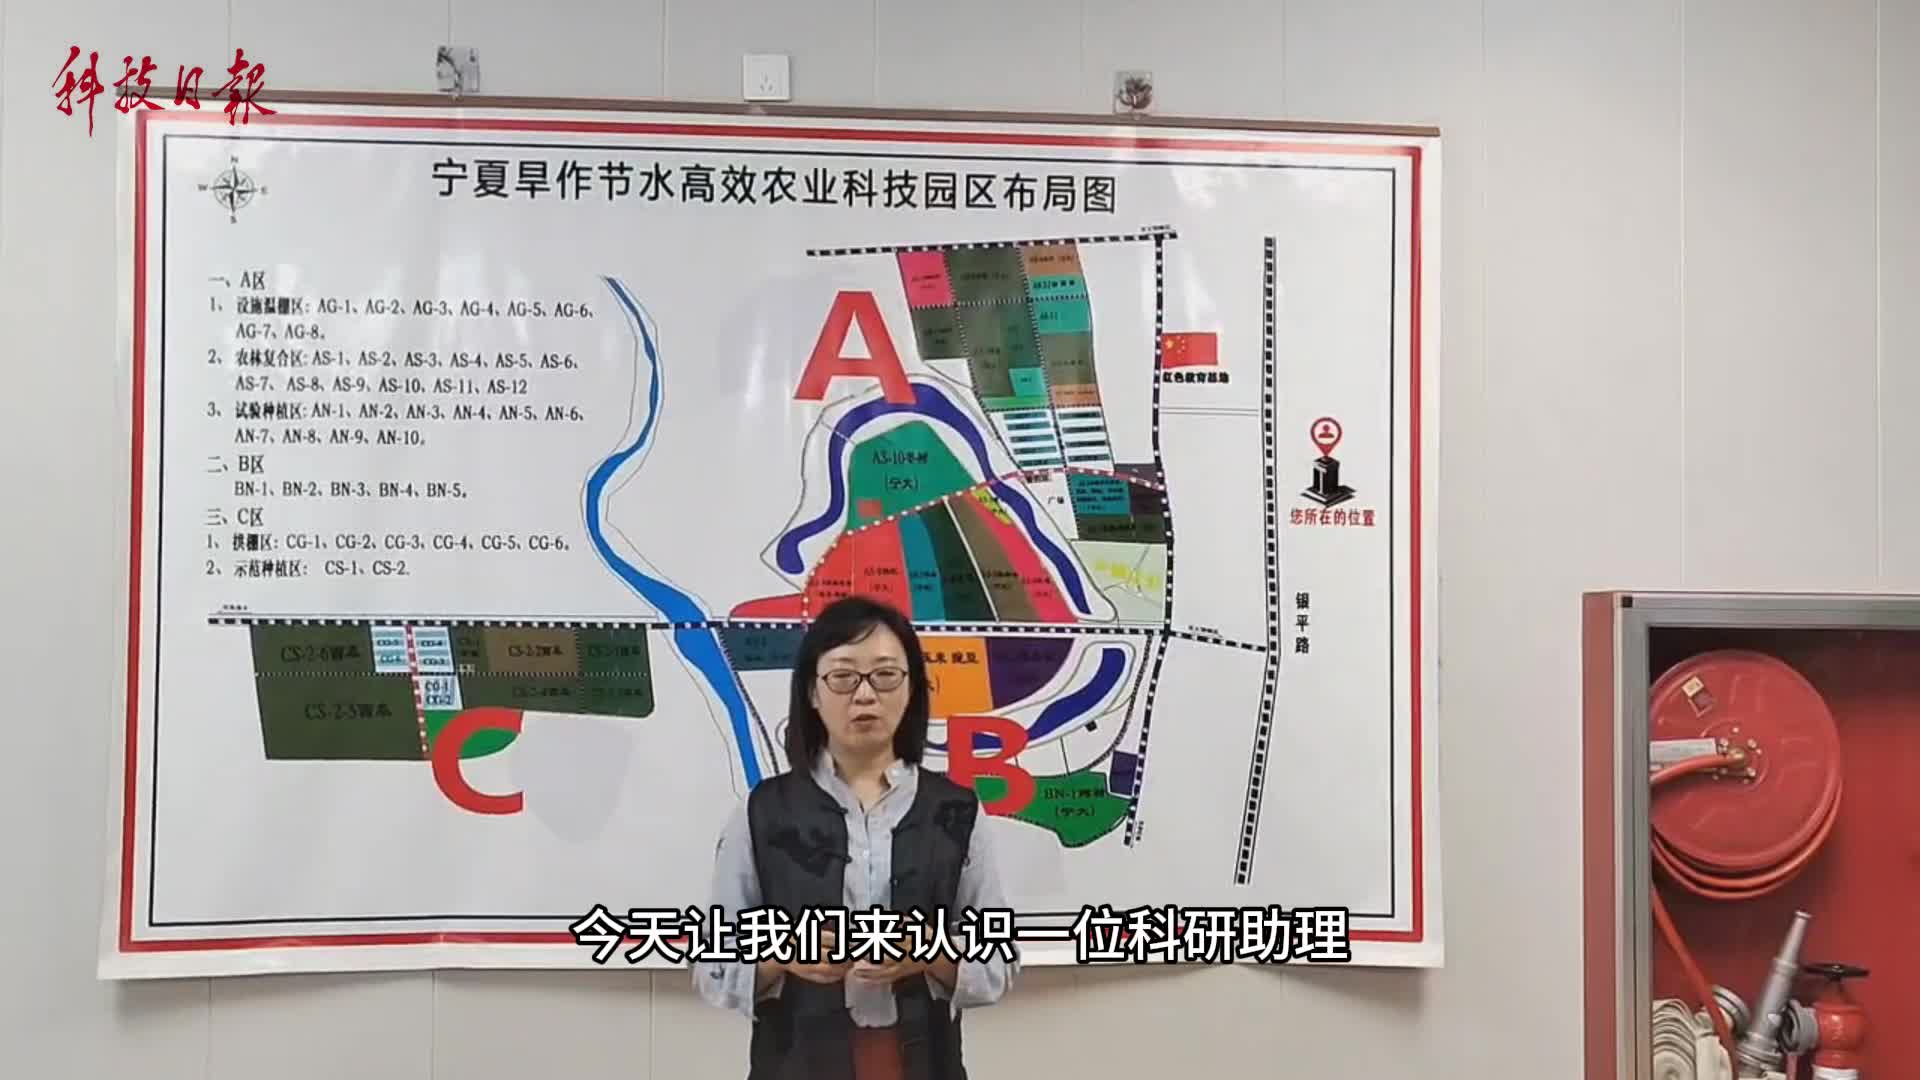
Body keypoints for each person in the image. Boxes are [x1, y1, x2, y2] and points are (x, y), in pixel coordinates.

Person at [694, 595, 1018, 1080]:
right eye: (843, 677)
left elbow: (998, 962)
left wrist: (929, 953)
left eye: (885, 675)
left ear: (912, 688)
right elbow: (712, 964)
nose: (865, 695)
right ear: (812, 691)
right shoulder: (761, 812)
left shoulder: (957, 812)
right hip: (797, 1063)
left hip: (924, 1062)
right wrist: (782, 957)